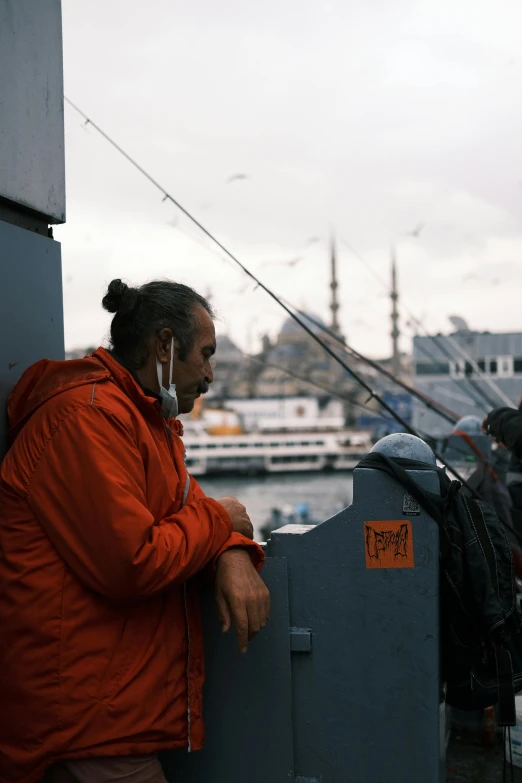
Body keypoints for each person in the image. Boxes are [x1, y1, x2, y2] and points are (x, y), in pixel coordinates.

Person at [0, 279, 269, 783]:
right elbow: (133, 561)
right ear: (163, 345)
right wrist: (221, 523)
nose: (210, 375)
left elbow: (191, 511)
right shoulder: (87, 419)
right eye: (205, 355)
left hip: (111, 716)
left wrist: (232, 551)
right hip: (83, 726)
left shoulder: (143, 421)